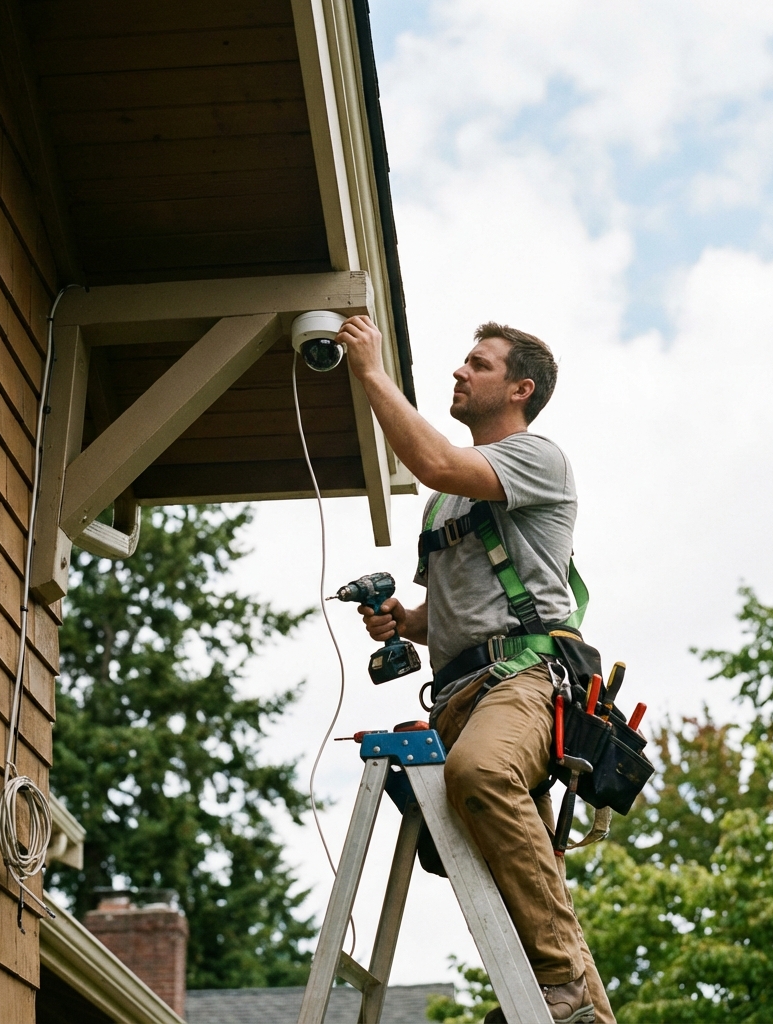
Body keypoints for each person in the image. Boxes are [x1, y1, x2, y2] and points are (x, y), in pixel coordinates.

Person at [336, 315, 614, 1024]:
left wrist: (369, 371)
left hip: (524, 678)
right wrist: (403, 620)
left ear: (521, 389)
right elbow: (451, 611)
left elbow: (433, 460)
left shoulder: (537, 458)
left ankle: (558, 983)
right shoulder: (445, 503)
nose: (460, 371)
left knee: (482, 775)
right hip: (458, 694)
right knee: (523, 876)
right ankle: (577, 1003)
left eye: (479, 364)